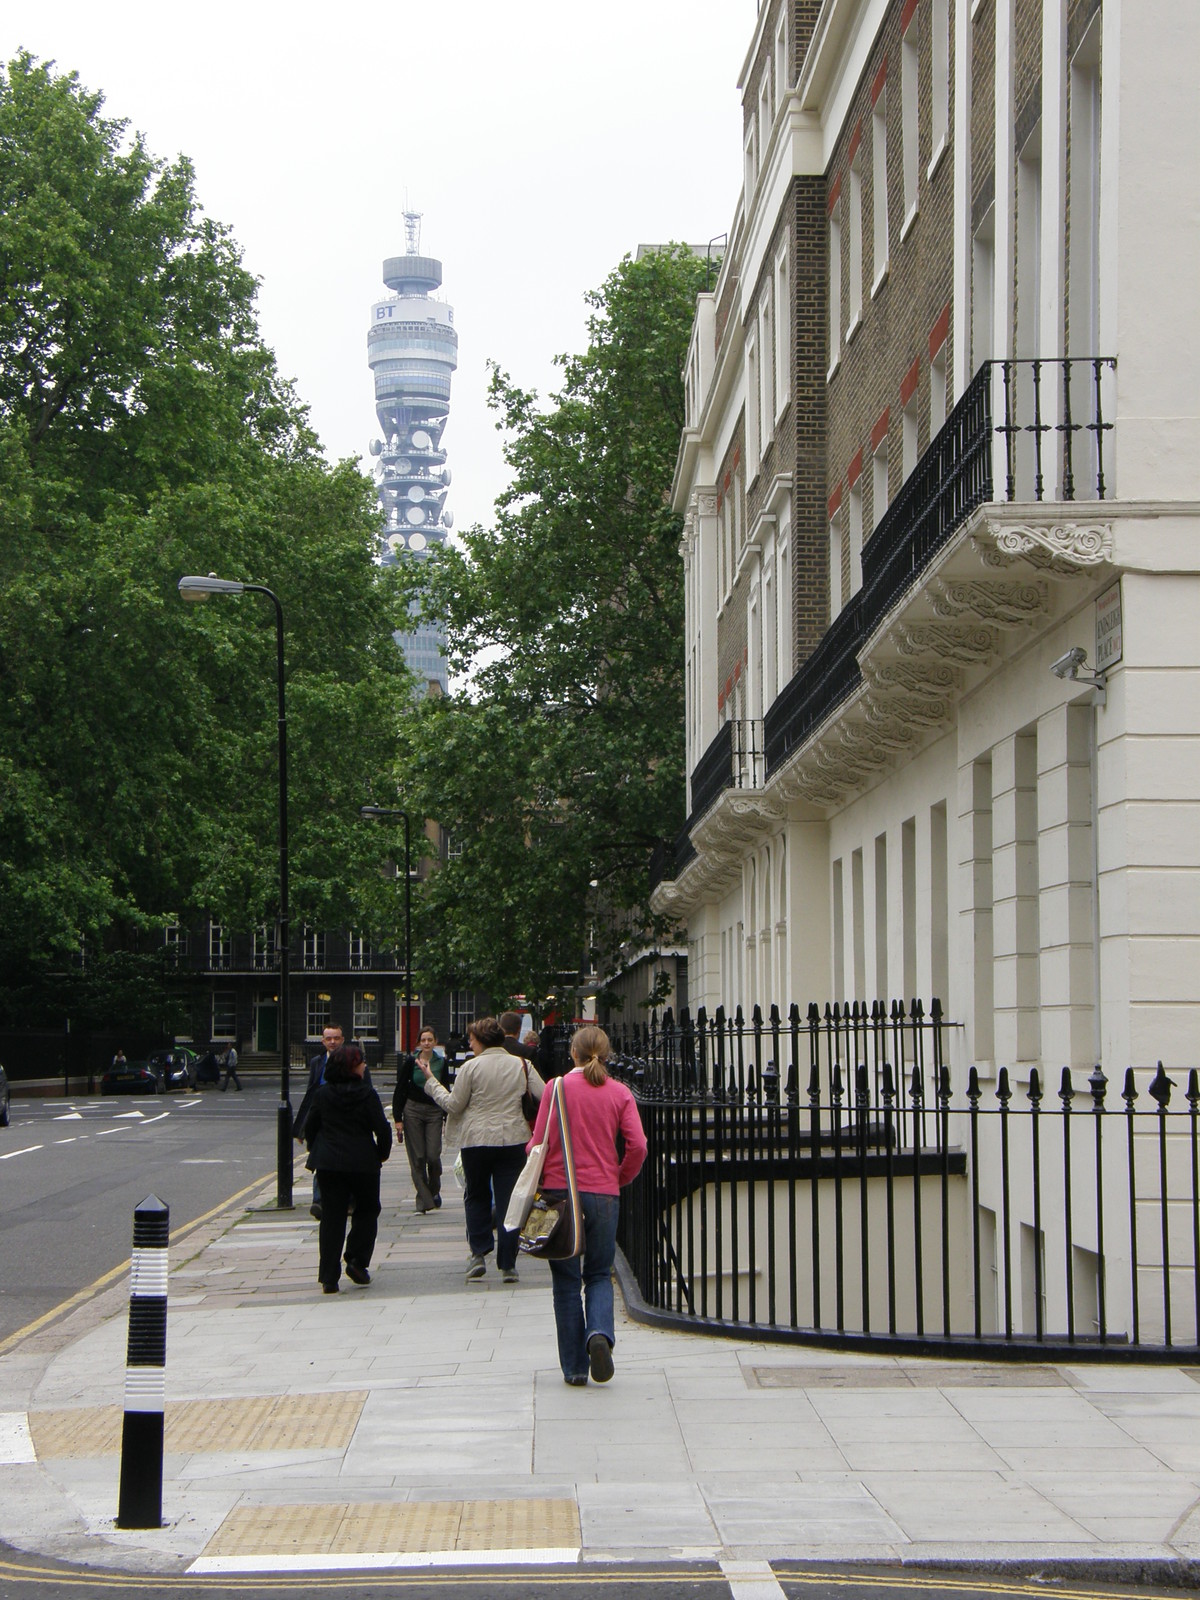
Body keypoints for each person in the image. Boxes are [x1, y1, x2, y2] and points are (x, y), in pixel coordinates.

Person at [527, 1023, 647, 1387]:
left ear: (572, 1053)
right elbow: (638, 1145)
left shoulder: (556, 1088)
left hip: (561, 1195)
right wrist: (619, 1176)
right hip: (604, 1195)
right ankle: (598, 1334)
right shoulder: (619, 1092)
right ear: (606, 1055)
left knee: (565, 1282)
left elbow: (537, 1142)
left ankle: (575, 1369)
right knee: (598, 1274)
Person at [418, 1016, 544, 1284]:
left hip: (476, 1140)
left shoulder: (471, 1068)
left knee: (476, 1195)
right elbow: (544, 1096)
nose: (470, 1044)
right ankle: (508, 1264)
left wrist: (430, 1081)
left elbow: (453, 1105)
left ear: (482, 1040)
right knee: (510, 1201)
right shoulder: (522, 1064)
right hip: (513, 1139)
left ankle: (478, 1253)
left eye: (472, 1039)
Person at [302, 1044, 392, 1293]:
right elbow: (382, 1129)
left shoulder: (322, 1094)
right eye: (361, 1062)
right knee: (367, 1210)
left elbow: (311, 1126)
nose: (365, 1066)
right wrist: (381, 1154)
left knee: (332, 1217)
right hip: (363, 1162)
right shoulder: (367, 1094)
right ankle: (356, 1260)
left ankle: (329, 1277)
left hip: (329, 1163)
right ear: (352, 1067)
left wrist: (316, 1149)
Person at [392, 1025, 449, 1212]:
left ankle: (433, 1189)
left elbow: (446, 1088)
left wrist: (447, 1116)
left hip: (434, 1110)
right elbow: (400, 1089)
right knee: (417, 1157)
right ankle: (424, 1199)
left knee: (432, 1155)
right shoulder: (411, 1062)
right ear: (419, 1042)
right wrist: (398, 1118)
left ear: (435, 1042)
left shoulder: (441, 1062)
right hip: (412, 1110)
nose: (426, 1043)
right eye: (423, 1040)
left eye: (430, 1040)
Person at [293, 1024, 344, 1220]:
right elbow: (311, 1093)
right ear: (323, 1042)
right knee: (320, 1158)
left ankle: (345, 1200)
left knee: (343, 1161)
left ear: (342, 1040)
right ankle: (319, 1201)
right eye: (328, 1038)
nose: (332, 1042)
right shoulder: (317, 1062)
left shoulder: (351, 1059)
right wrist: (302, 1127)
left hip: (344, 1117)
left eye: (336, 1038)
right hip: (322, 1118)